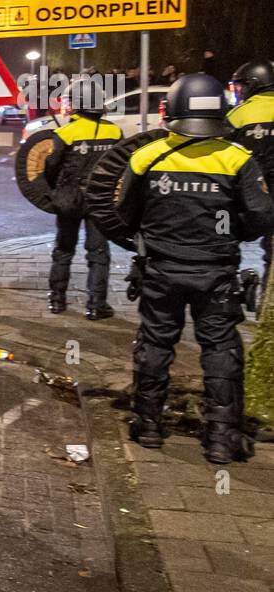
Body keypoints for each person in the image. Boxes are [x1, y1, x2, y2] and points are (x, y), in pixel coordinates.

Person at [117, 73, 274, 464]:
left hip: (160, 271)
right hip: (216, 273)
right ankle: (222, 441)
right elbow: (259, 218)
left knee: (155, 344)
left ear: (172, 109)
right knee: (221, 349)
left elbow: (122, 212)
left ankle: (148, 426)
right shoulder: (238, 158)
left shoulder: (147, 156)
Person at [43, 97, 122, 318]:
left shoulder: (66, 133)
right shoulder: (114, 132)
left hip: (70, 198)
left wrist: (56, 190)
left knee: (64, 248)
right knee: (98, 251)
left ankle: (57, 300)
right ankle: (97, 305)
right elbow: (122, 164)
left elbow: (51, 165)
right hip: (100, 198)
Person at [227, 59, 274, 283]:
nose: (239, 92)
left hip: (250, 196)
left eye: (241, 86)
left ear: (254, 84)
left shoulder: (240, 115)